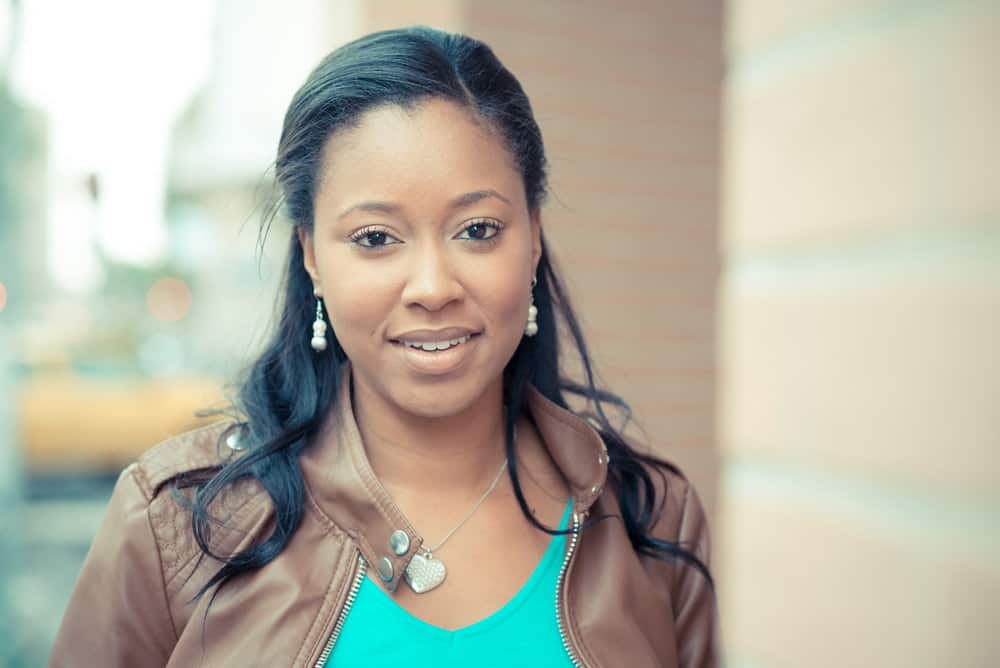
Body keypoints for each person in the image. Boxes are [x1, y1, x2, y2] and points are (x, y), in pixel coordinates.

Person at [49, 26, 717, 667]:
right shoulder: (177, 523)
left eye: (478, 229)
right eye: (375, 238)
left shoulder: (647, 518)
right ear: (310, 254)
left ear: (534, 236)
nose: (432, 287)